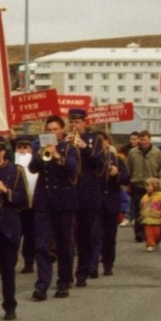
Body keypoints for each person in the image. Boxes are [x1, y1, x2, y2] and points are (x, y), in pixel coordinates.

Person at [29, 115, 79, 301]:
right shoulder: (39, 148)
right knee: (42, 244)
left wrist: (57, 155)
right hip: (44, 202)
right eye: (48, 130)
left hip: (64, 202)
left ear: (62, 131)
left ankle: (64, 281)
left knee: (65, 244)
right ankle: (42, 284)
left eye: (55, 129)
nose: (51, 133)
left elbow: (73, 168)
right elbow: (33, 168)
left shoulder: (69, 148)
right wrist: (42, 153)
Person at [0, 135, 28, 321]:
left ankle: (10, 305)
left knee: (7, 270)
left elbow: (24, 200)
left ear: (4, 151)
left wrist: (6, 191)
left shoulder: (15, 170)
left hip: (9, 225)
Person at [67, 108, 106, 287]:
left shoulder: (94, 140)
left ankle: (82, 272)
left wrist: (85, 148)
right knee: (67, 237)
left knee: (85, 236)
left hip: (88, 195)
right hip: (69, 194)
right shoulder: (64, 140)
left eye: (77, 122)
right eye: (72, 122)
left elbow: (100, 163)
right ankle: (66, 274)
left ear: (84, 122)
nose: (74, 125)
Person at [98, 133, 130, 275]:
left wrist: (117, 174)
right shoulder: (89, 159)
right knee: (93, 235)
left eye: (101, 141)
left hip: (111, 203)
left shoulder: (116, 159)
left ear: (107, 142)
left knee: (109, 237)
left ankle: (108, 264)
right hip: (94, 203)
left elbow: (126, 178)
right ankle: (92, 264)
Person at [126, 131, 161, 243]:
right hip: (137, 185)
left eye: (145, 139)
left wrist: (160, 184)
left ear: (149, 139)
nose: (143, 142)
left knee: (154, 210)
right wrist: (128, 183)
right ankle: (139, 232)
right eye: (141, 139)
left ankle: (158, 231)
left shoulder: (157, 153)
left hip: (153, 187)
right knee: (140, 210)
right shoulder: (132, 153)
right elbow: (129, 168)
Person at [13, 135, 36, 273]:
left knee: (30, 235)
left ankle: (29, 262)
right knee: (15, 235)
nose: (22, 150)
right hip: (16, 204)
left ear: (31, 149)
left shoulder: (33, 163)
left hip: (30, 204)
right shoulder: (12, 164)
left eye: (25, 147)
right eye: (19, 147)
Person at [140, 177, 161, 252]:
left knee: (157, 232)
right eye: (146, 186)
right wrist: (141, 213)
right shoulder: (144, 197)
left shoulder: (160, 196)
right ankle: (150, 244)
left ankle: (156, 241)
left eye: (148, 186)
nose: (147, 188)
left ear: (155, 186)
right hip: (147, 218)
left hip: (157, 217)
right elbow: (142, 205)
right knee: (148, 233)